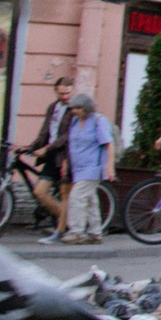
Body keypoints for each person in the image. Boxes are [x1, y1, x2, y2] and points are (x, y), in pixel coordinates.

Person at [61, 90, 114, 245]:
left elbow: (109, 144)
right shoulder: (76, 122)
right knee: (90, 200)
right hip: (78, 168)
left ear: (87, 107)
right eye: (73, 108)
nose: (74, 111)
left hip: (93, 167)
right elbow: (71, 144)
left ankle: (77, 232)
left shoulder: (99, 120)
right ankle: (95, 232)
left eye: (78, 108)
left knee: (77, 197)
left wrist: (109, 167)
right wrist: (66, 162)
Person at [27, 75, 75, 240]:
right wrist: (32, 147)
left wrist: (47, 148)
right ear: (56, 91)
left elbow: (67, 136)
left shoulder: (74, 109)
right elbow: (45, 131)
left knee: (64, 194)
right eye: (61, 93)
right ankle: (70, 221)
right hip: (51, 155)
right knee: (40, 192)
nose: (65, 97)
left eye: (68, 93)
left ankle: (63, 228)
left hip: (65, 156)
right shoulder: (52, 107)